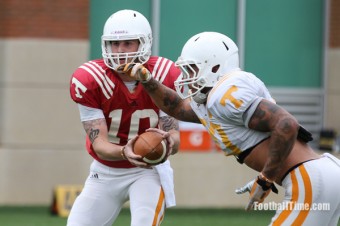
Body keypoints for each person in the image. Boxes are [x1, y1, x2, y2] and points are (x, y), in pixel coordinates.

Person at [121, 31, 340, 225]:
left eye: (192, 69)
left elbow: (286, 125)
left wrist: (265, 179)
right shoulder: (212, 98)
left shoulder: (223, 95)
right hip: (320, 174)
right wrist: (148, 81)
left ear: (214, 66)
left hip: (311, 179)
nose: (187, 78)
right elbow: (178, 108)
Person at [68, 9, 181, 226]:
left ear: (144, 43)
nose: (120, 51)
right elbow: (99, 143)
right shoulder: (89, 79)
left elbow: (175, 137)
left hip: (149, 170)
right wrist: (124, 151)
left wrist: (168, 142)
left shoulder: (165, 73)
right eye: (114, 43)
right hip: (105, 170)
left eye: (128, 43)